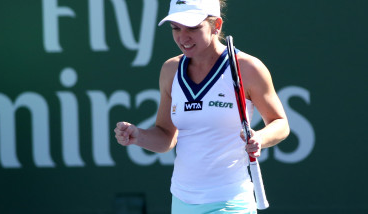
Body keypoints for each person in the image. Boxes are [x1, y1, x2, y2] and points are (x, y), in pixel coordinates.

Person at [114, 0, 290, 213]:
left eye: (193, 28)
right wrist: (138, 136)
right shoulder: (170, 70)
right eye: (176, 28)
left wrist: (260, 137)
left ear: (217, 25)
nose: (182, 37)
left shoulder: (248, 67)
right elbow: (166, 137)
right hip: (181, 201)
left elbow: (280, 123)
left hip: (231, 202)